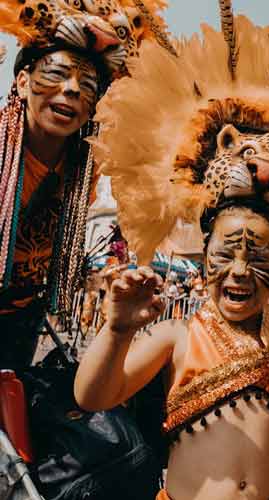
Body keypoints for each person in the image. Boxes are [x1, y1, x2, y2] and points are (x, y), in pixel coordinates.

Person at [74, 4, 269, 497]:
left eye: (260, 258)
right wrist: (115, 331)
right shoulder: (177, 338)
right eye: (226, 254)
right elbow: (93, 396)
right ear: (204, 260)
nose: (239, 271)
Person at [0, 0, 169, 368]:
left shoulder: (86, 170)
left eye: (87, 84)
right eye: (57, 74)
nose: (72, 89)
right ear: (23, 80)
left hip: (21, 322)